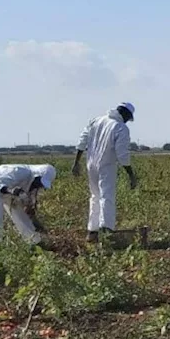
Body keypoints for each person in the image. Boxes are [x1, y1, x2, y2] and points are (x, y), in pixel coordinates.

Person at [72, 102, 137, 242]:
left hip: (91, 164)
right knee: (107, 197)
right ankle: (106, 232)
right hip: (106, 165)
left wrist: (76, 162)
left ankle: (92, 232)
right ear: (125, 114)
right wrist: (131, 174)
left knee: (95, 196)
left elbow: (82, 141)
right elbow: (122, 155)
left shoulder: (96, 120)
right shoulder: (120, 127)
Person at [0, 164, 55, 244]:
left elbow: (29, 204)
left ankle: (34, 242)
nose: (40, 186)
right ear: (37, 176)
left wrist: (32, 214)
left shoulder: (33, 184)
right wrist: (11, 191)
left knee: (21, 216)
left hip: (11, 190)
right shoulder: (19, 171)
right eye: (40, 182)